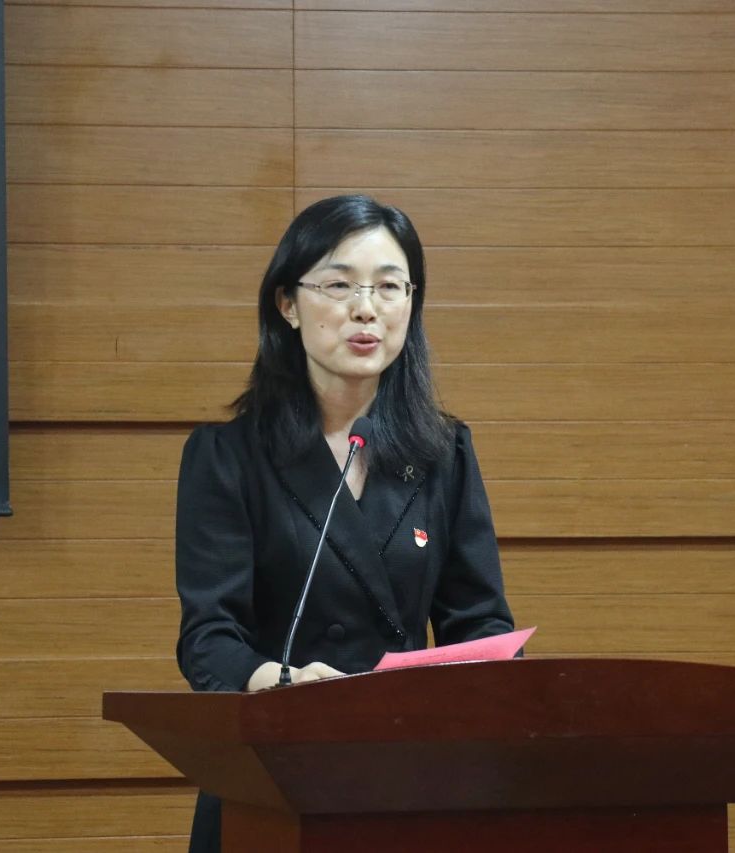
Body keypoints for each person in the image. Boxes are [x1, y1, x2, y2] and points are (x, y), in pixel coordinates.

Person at [174, 194, 518, 852]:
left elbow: (479, 622)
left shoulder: (443, 452)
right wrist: (280, 682)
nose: (366, 308)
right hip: (275, 776)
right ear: (287, 303)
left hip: (409, 774)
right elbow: (209, 638)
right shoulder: (228, 457)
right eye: (338, 285)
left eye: (389, 286)